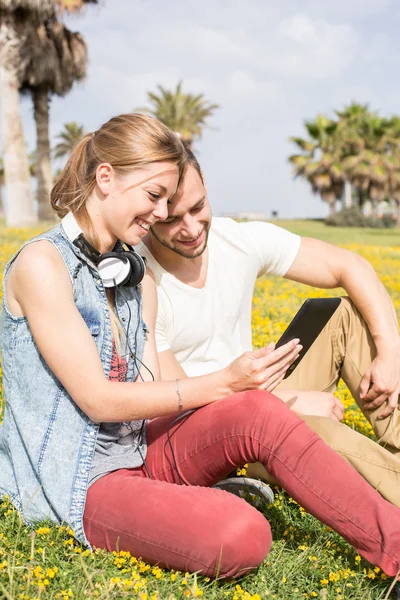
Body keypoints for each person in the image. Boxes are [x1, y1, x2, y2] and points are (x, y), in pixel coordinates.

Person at [2, 114, 400, 585]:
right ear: (105, 177)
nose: (160, 214)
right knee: (242, 534)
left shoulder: (131, 275)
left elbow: (152, 391)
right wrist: (225, 382)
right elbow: (98, 399)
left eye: (168, 200)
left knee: (257, 411)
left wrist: (245, 400)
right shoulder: (42, 265)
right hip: (84, 479)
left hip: (143, 450)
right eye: (155, 198)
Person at [137, 148, 400, 508]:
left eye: (198, 208)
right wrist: (286, 406)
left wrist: (390, 353)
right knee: (314, 433)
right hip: (214, 433)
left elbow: (348, 266)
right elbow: (176, 404)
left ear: (207, 190)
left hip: (257, 394)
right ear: (150, 214)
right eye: (172, 219)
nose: (192, 228)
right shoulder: (142, 283)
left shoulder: (235, 240)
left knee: (343, 316)